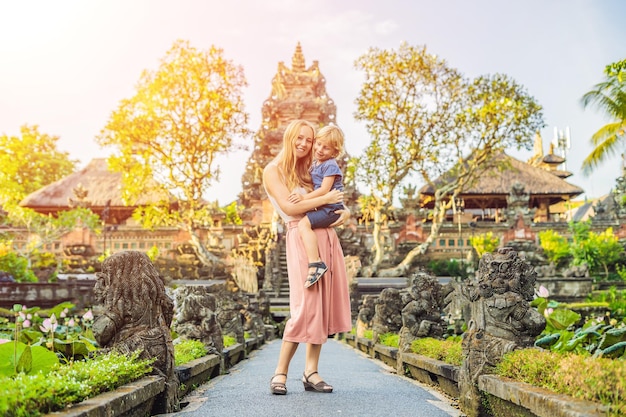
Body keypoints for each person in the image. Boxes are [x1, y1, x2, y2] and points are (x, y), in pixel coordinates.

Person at [263, 119, 353, 396]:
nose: (304, 144)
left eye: (310, 140)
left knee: (322, 305)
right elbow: (291, 206)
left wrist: (344, 211)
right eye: (299, 138)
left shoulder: (311, 169)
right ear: (289, 137)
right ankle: (280, 372)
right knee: (305, 304)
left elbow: (331, 201)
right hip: (301, 239)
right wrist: (326, 201)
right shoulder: (273, 170)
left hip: (325, 236)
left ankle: (311, 371)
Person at [288, 125, 345, 289]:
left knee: (303, 224)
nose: (319, 149)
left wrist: (303, 198)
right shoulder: (315, 163)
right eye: (318, 144)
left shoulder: (330, 165)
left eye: (326, 148)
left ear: (334, 152)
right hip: (323, 206)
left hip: (330, 209)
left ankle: (316, 262)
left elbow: (324, 190)